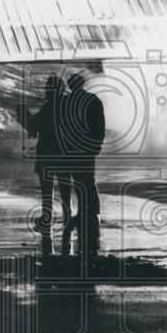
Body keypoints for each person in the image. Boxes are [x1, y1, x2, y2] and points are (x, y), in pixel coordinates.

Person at [19, 76, 73, 257]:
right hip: (65, 156)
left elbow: (35, 126)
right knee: (66, 192)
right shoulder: (68, 106)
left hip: (47, 156)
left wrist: (24, 116)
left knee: (47, 192)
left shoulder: (48, 108)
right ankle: (68, 222)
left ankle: (47, 220)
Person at [60, 73, 105, 256]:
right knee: (86, 179)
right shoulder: (93, 100)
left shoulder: (67, 103)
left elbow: (62, 126)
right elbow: (99, 125)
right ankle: (91, 212)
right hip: (86, 148)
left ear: (71, 86)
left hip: (72, 148)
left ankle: (86, 212)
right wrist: (96, 144)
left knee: (79, 180)